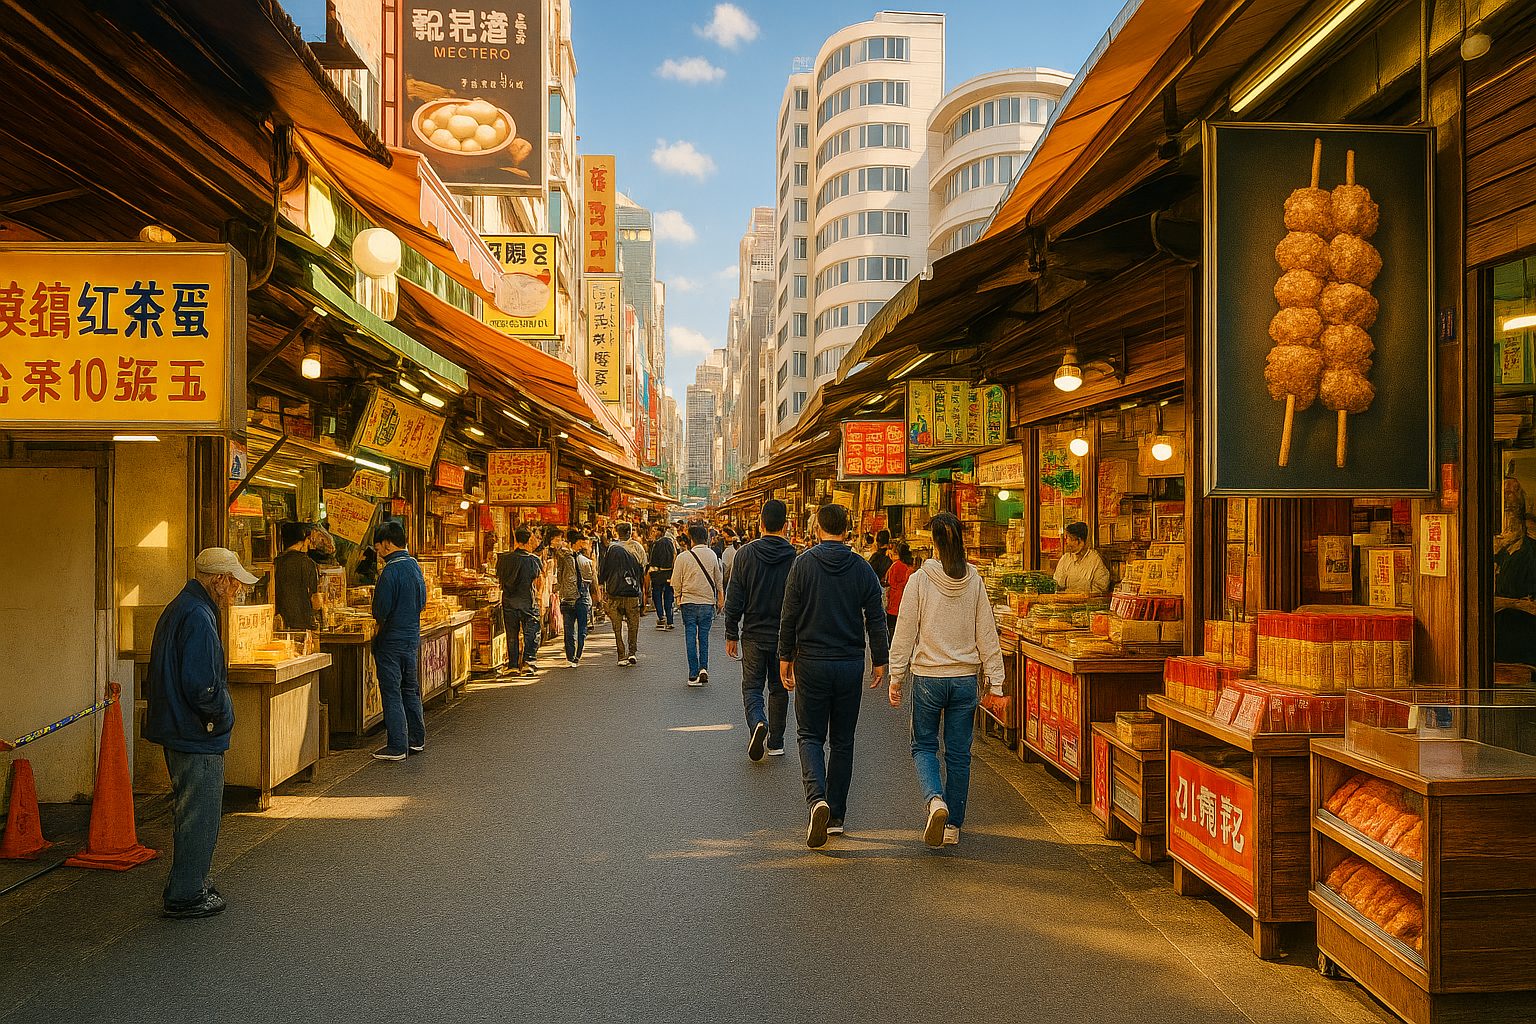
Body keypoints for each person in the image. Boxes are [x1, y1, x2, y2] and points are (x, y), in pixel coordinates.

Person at [143, 547, 258, 919]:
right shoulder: (198, 615)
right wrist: (223, 713)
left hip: (179, 725)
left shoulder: (184, 606)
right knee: (200, 813)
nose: (238, 591)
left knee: (192, 810)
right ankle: (187, 892)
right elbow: (202, 686)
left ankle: (189, 881)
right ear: (220, 580)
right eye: (235, 583)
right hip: (194, 730)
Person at [886, 513, 1006, 848]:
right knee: (959, 754)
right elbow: (987, 634)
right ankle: (953, 825)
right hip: (965, 679)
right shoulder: (975, 580)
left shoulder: (920, 580)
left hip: (928, 678)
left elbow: (905, 631)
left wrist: (897, 675)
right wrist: (995, 682)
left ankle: (935, 800)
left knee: (923, 745)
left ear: (935, 543)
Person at [779, 503, 889, 847]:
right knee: (843, 740)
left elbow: (789, 614)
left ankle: (817, 801)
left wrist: (785, 656)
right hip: (849, 663)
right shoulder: (861, 567)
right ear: (848, 530)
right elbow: (876, 616)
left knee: (810, 735)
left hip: (811, 660)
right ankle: (837, 815)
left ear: (817, 529)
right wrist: (880, 660)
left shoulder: (804, 564)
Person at [723, 499, 797, 761]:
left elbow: (734, 598)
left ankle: (757, 722)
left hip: (753, 634)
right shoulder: (795, 557)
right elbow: (801, 601)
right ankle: (776, 742)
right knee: (779, 688)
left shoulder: (745, 554)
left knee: (752, 687)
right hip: (784, 637)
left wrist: (731, 632)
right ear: (785, 525)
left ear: (760, 523)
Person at [370, 520, 428, 761]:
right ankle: (416, 739)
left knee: (392, 690)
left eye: (377, 548)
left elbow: (380, 609)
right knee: (410, 689)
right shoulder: (414, 566)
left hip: (391, 639)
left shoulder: (390, 571)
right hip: (411, 637)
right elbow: (422, 602)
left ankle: (396, 745)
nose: (378, 553)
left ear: (386, 544)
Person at [672, 523, 724, 686]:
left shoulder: (683, 557)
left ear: (692, 539)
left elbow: (675, 582)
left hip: (688, 602)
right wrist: (721, 597)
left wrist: (677, 597)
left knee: (690, 635)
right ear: (706, 538)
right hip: (707, 602)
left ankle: (693, 674)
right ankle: (704, 668)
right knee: (703, 636)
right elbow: (718, 580)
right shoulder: (712, 555)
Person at [497, 527, 543, 675]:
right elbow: (538, 581)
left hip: (509, 601)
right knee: (531, 632)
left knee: (512, 633)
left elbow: (499, 579)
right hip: (527, 600)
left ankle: (513, 665)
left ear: (515, 539)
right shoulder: (534, 560)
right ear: (529, 540)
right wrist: (539, 599)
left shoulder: (504, 558)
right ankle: (528, 662)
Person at [600, 523, 645, 665]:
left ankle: (621, 655)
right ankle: (632, 652)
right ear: (630, 532)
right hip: (632, 591)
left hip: (614, 592)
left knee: (617, 626)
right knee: (633, 623)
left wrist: (603, 588)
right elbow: (642, 569)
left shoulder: (611, 549)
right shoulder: (637, 547)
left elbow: (604, 570)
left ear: (616, 532)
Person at [1495, 511, 1536, 665]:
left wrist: (1512, 603)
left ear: (1521, 528)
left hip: (1522, 628)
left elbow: (1531, 604)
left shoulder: (1530, 554)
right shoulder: (1503, 553)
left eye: (1510, 528)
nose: (1503, 534)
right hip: (1503, 627)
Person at [553, 530, 595, 666]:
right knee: (578, 628)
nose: (582, 545)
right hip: (576, 596)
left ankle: (573, 656)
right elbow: (590, 579)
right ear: (574, 543)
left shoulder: (569, 557)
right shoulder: (570, 557)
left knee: (571, 628)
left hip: (570, 596)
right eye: (580, 542)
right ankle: (575, 655)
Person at [272, 521, 320, 632]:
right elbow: (315, 601)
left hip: (281, 624)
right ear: (302, 540)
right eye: (308, 540)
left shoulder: (276, 562)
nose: (308, 544)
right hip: (304, 624)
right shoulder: (308, 563)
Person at [1054, 520, 1111, 594]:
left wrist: (1083, 594)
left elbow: (1102, 587)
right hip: (1065, 601)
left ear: (1080, 540)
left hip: (1086, 603)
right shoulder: (1065, 559)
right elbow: (1057, 583)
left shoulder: (1094, 559)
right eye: (1067, 538)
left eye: (1071, 539)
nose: (1067, 542)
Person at [649, 523, 677, 630]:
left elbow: (652, 560)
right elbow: (675, 557)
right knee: (669, 596)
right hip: (669, 573)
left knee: (657, 595)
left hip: (658, 574)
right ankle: (670, 620)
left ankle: (661, 617)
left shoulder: (656, 544)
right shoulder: (670, 543)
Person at [885, 541, 916, 637]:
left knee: (892, 634)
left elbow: (889, 583)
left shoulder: (895, 566)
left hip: (894, 605)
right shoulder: (912, 569)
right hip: (906, 606)